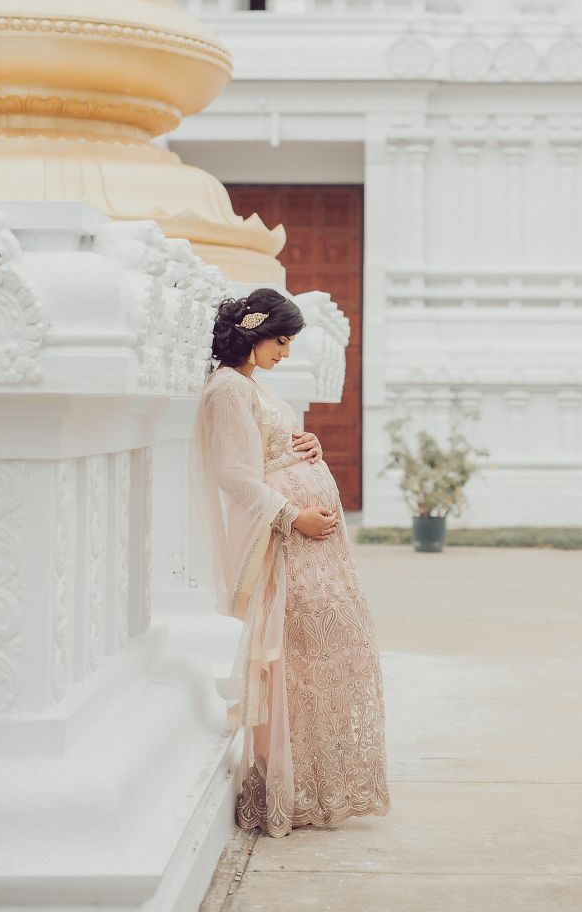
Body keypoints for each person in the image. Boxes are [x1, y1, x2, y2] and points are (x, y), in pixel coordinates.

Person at [190, 287, 391, 836]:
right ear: (252, 335)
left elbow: (269, 450)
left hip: (306, 547)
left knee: (319, 657)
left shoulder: (252, 385)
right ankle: (279, 785)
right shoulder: (229, 388)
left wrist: (309, 449)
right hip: (282, 541)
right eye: (281, 341)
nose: (286, 352)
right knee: (286, 661)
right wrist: (291, 516)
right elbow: (233, 474)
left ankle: (311, 782)